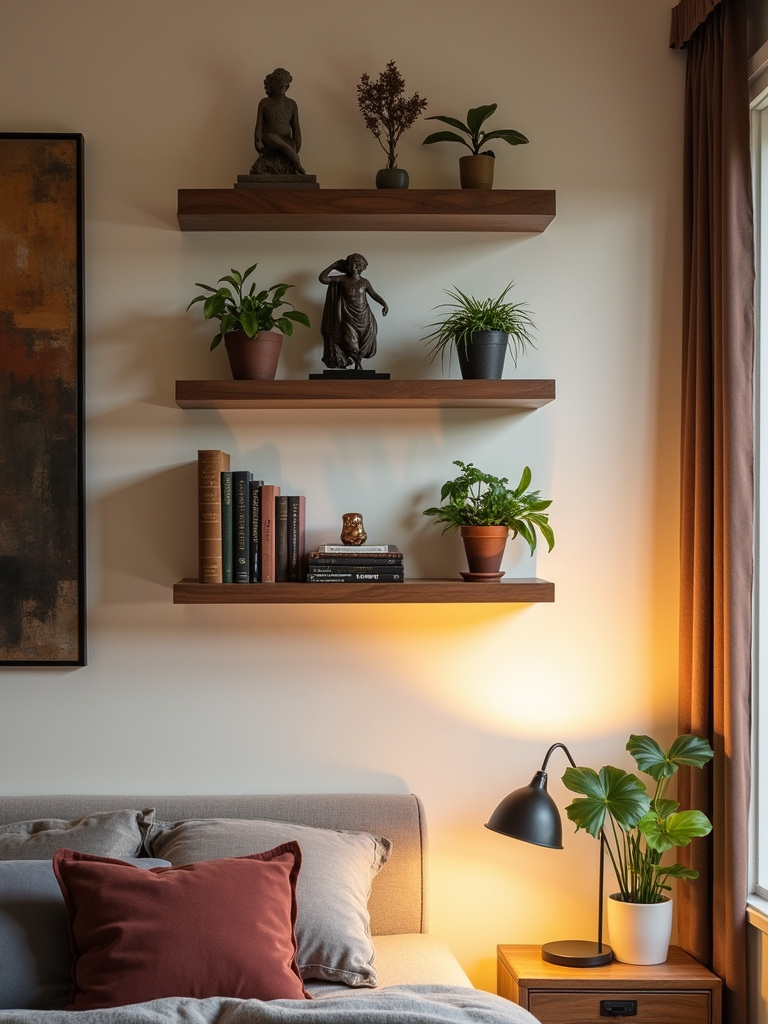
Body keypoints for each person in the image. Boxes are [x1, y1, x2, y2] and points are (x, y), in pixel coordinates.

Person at [318, 254, 389, 370]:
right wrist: (334, 265)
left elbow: (374, 295)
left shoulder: (364, 282)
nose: (353, 267)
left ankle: (358, 363)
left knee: (363, 341)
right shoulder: (342, 279)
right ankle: (357, 364)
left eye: (356, 265)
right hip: (347, 316)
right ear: (347, 266)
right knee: (350, 341)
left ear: (361, 267)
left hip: (364, 316)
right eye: (350, 265)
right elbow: (323, 279)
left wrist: (384, 304)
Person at [251, 68, 306, 175]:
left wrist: (297, 144)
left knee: (286, 144)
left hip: (287, 140)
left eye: (284, 85)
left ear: (287, 86)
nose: (281, 87)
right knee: (272, 137)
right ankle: (296, 161)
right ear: (272, 85)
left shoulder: (291, 104)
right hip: (269, 139)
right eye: (278, 84)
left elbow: (296, 128)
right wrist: (258, 140)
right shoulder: (264, 103)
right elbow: (259, 126)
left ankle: (290, 152)